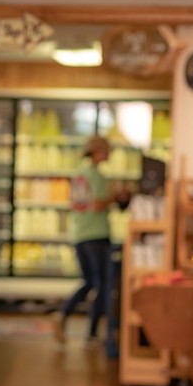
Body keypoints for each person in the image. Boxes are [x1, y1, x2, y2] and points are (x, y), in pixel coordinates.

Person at [52, 135, 119, 350]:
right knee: (102, 285)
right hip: (97, 235)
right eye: (107, 149)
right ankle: (91, 332)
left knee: (90, 281)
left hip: (80, 235)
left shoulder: (79, 174)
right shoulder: (97, 176)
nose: (110, 153)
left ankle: (63, 314)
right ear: (98, 151)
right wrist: (116, 196)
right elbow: (97, 204)